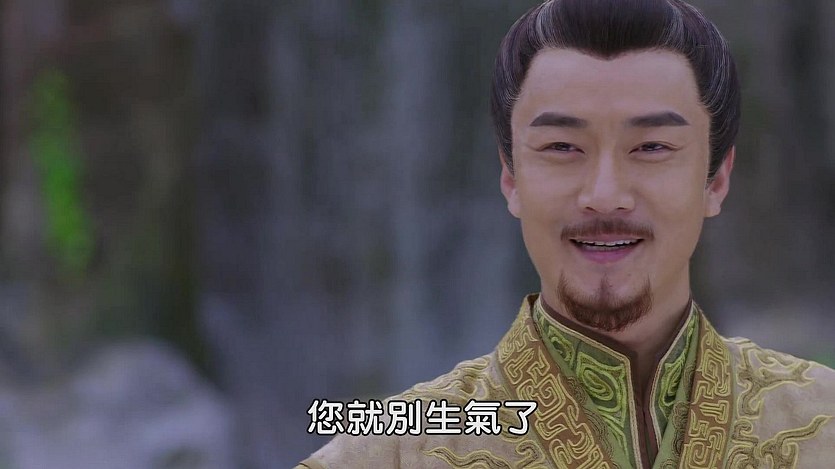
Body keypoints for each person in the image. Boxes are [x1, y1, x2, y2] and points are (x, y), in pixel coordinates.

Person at [297, 0, 835, 467]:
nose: (604, 194)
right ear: (511, 178)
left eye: (651, 147)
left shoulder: (822, 422)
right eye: (561, 147)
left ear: (716, 180)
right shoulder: (390, 452)